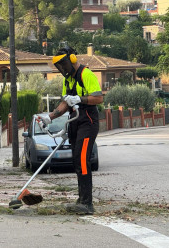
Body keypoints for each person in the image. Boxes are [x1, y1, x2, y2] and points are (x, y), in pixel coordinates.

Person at [38, 46, 103, 215]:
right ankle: (81, 200)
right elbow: (65, 103)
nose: (62, 69)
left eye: (64, 65)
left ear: (72, 59)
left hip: (88, 122)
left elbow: (99, 98)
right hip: (75, 121)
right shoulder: (68, 81)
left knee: (82, 159)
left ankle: (87, 204)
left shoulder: (86, 74)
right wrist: (50, 117)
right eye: (59, 67)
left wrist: (80, 99)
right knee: (76, 160)